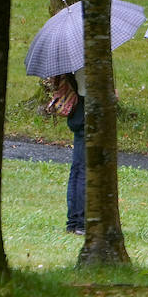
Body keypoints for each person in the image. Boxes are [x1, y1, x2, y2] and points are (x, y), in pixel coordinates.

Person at [50, 72, 86, 235]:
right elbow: (87, 87)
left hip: (78, 109)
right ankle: (80, 222)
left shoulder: (72, 62)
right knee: (83, 170)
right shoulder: (88, 60)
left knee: (77, 169)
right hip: (86, 107)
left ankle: (73, 221)